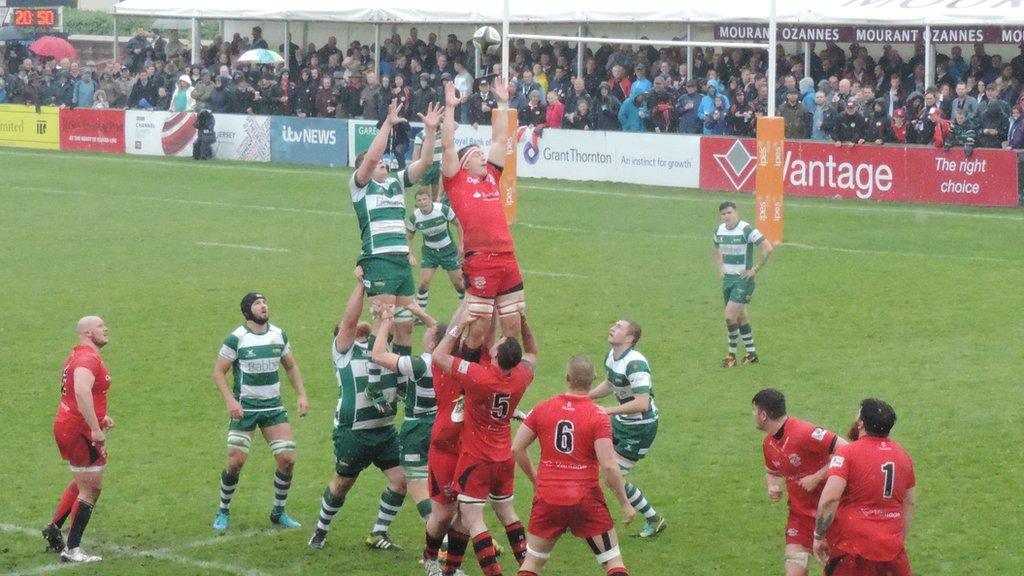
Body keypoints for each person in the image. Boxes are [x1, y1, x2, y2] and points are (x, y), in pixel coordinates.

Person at [432, 305, 537, 575]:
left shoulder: (480, 377)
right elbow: (533, 353)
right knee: (507, 513)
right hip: (504, 456)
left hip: (477, 458)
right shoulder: (521, 377)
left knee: (472, 518)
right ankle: (528, 569)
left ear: (496, 354)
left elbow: (439, 355)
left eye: (499, 341)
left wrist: (458, 326)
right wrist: (524, 324)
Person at [512, 355, 636, 576]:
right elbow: (609, 466)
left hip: (548, 497)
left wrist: (535, 479)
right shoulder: (597, 416)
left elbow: (517, 448)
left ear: (567, 377)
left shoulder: (542, 409)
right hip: (585, 499)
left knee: (531, 564)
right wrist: (625, 504)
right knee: (612, 561)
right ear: (593, 379)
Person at [308, 284, 408, 551]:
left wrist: (389, 291)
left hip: (385, 430)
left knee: (401, 481)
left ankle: (378, 532)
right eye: (349, 327)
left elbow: (397, 325)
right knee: (342, 484)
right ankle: (320, 530)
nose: (358, 326)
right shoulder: (344, 352)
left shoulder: (381, 347)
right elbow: (351, 319)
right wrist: (362, 286)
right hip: (354, 431)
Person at [441, 79, 526, 361]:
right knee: (478, 329)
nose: (482, 157)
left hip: (507, 257)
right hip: (480, 261)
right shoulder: (456, 181)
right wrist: (451, 109)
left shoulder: (491, 176)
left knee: (513, 325)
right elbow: (448, 145)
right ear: (464, 163)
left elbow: (501, 139)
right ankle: (466, 383)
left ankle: (501, 384)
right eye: (477, 155)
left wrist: (503, 104)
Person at [211, 293, 308, 531]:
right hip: (246, 409)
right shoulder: (236, 338)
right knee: (235, 463)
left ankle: (279, 511)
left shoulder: (278, 334)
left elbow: (291, 366)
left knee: (287, 460)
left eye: (265, 302)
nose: (263, 306)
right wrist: (230, 401)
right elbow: (218, 372)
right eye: (257, 303)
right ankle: (223, 510)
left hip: (273, 407)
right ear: (247, 311)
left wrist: (301, 395)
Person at [350, 100, 442, 346]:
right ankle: (375, 380)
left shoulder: (396, 182)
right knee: (384, 324)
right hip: (379, 259)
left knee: (405, 326)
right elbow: (370, 159)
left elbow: (424, 164)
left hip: (401, 260)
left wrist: (431, 132)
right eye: (375, 161)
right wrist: (388, 125)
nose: (381, 162)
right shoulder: (360, 186)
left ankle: (402, 379)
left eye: (382, 161)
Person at [813, 399, 916, 576]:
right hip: (892, 553)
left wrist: (819, 535)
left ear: (861, 424)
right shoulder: (903, 456)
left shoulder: (847, 453)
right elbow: (909, 503)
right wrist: (896, 540)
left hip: (854, 552)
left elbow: (830, 498)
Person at [752, 389, 846, 576]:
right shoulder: (768, 444)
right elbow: (771, 472)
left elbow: (846, 450)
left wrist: (818, 476)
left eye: (754, 411)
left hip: (829, 516)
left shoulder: (805, 432)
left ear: (763, 415)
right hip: (799, 519)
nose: (753, 415)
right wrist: (772, 485)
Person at [44, 317, 113, 563]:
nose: (105, 328)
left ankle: (54, 528)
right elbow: (81, 390)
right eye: (100, 326)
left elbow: (80, 395)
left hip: (71, 424)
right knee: (91, 489)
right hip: (80, 431)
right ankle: (72, 550)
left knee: (83, 481)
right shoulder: (87, 359)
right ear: (86, 332)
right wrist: (95, 427)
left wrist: (100, 417)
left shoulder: (79, 355)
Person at [588, 319, 665, 538]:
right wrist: (586, 396)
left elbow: (642, 403)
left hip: (641, 428)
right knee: (592, 460)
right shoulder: (612, 356)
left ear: (630, 339)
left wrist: (608, 410)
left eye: (619, 327)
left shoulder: (635, 364)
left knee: (614, 478)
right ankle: (582, 514)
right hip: (622, 421)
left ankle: (654, 519)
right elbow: (611, 383)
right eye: (613, 324)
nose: (612, 327)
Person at [369, 305, 440, 530]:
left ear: (431, 343)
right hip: (441, 425)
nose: (426, 330)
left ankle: (441, 541)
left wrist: (386, 321)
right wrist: (416, 309)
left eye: (428, 333)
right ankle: (474, 535)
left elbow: (378, 355)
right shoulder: (452, 360)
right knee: (444, 488)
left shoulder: (420, 365)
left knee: (417, 485)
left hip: (417, 429)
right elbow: (438, 329)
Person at [712, 201, 774, 367]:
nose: (727, 216)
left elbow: (767, 248)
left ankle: (731, 356)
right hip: (728, 280)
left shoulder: (747, 230)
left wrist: (755, 269)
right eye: (724, 214)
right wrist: (720, 268)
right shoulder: (719, 230)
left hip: (743, 280)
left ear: (736, 213)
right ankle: (751, 354)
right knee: (740, 317)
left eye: (729, 212)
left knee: (729, 316)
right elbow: (715, 248)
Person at [407, 189, 466, 313]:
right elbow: (408, 237)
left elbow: (458, 224)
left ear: (430, 199)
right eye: (419, 200)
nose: (422, 202)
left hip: (448, 250)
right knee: (424, 283)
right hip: (430, 253)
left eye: (424, 199)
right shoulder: (414, 218)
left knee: (459, 283)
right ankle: (420, 314)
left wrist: (461, 244)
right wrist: (410, 254)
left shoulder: (442, 210)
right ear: (416, 203)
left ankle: (466, 309)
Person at [413, 121, 445, 202]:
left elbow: (455, 126)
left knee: (436, 194)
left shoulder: (441, 132)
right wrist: (415, 168)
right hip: (426, 166)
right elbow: (416, 152)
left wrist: (443, 117)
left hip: (438, 166)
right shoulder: (421, 135)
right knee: (423, 193)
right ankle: (421, 209)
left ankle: (433, 210)